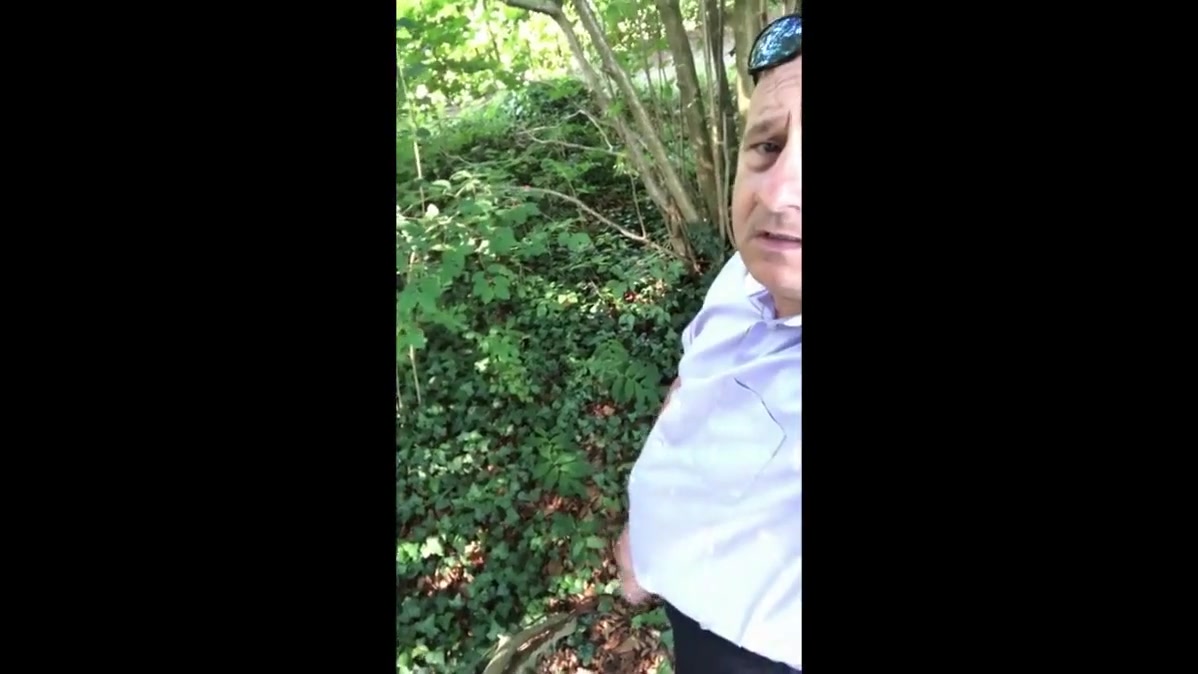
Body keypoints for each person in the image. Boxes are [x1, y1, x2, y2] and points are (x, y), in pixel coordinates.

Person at [615, 13, 802, 674]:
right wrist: (646, 537)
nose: (776, 192)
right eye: (768, 147)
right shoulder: (746, 272)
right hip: (684, 606)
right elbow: (691, 384)